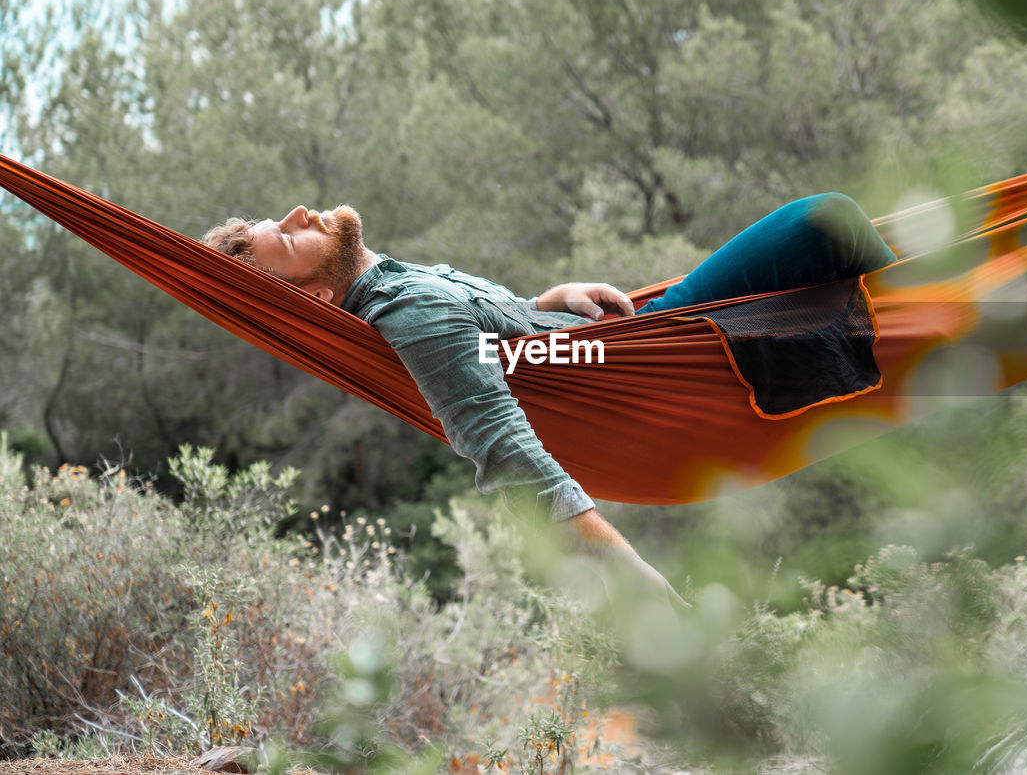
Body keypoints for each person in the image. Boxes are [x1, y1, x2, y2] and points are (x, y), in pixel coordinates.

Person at [202, 193, 896, 607]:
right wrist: (642, 579)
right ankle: (928, 310)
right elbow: (505, 448)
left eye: (283, 216)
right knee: (825, 222)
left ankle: (925, 307)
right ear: (317, 300)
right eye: (287, 236)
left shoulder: (394, 278)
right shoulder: (405, 311)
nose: (300, 211)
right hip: (659, 358)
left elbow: (499, 331)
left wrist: (550, 299)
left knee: (836, 245)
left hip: (624, 338)